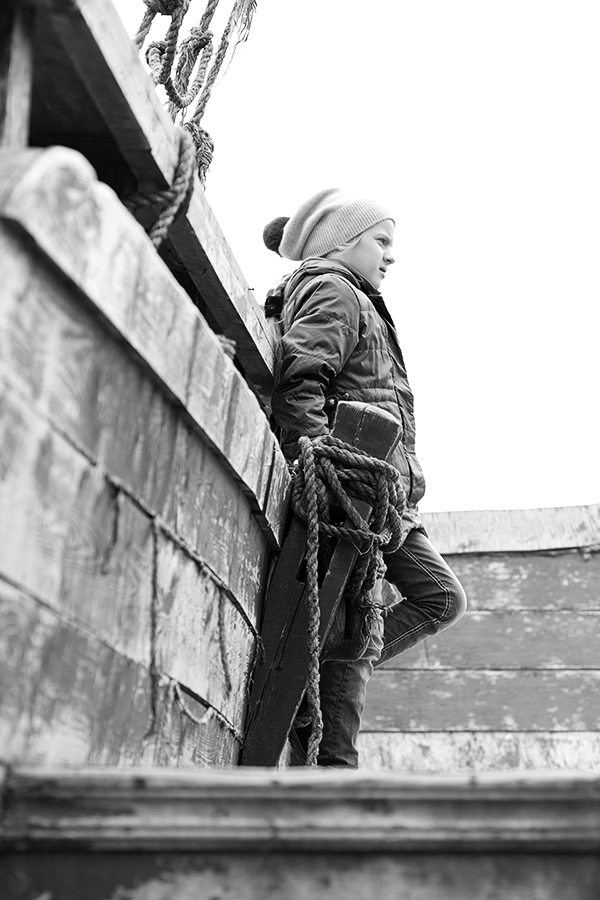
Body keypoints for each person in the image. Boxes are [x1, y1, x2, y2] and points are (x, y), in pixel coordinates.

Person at [263, 188, 467, 767]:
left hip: (383, 496)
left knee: (433, 602)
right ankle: (325, 737)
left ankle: (315, 676)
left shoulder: (357, 299)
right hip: (352, 489)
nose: (390, 255)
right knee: (374, 626)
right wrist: (318, 465)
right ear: (340, 242)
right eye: (381, 241)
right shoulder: (334, 291)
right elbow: (302, 382)